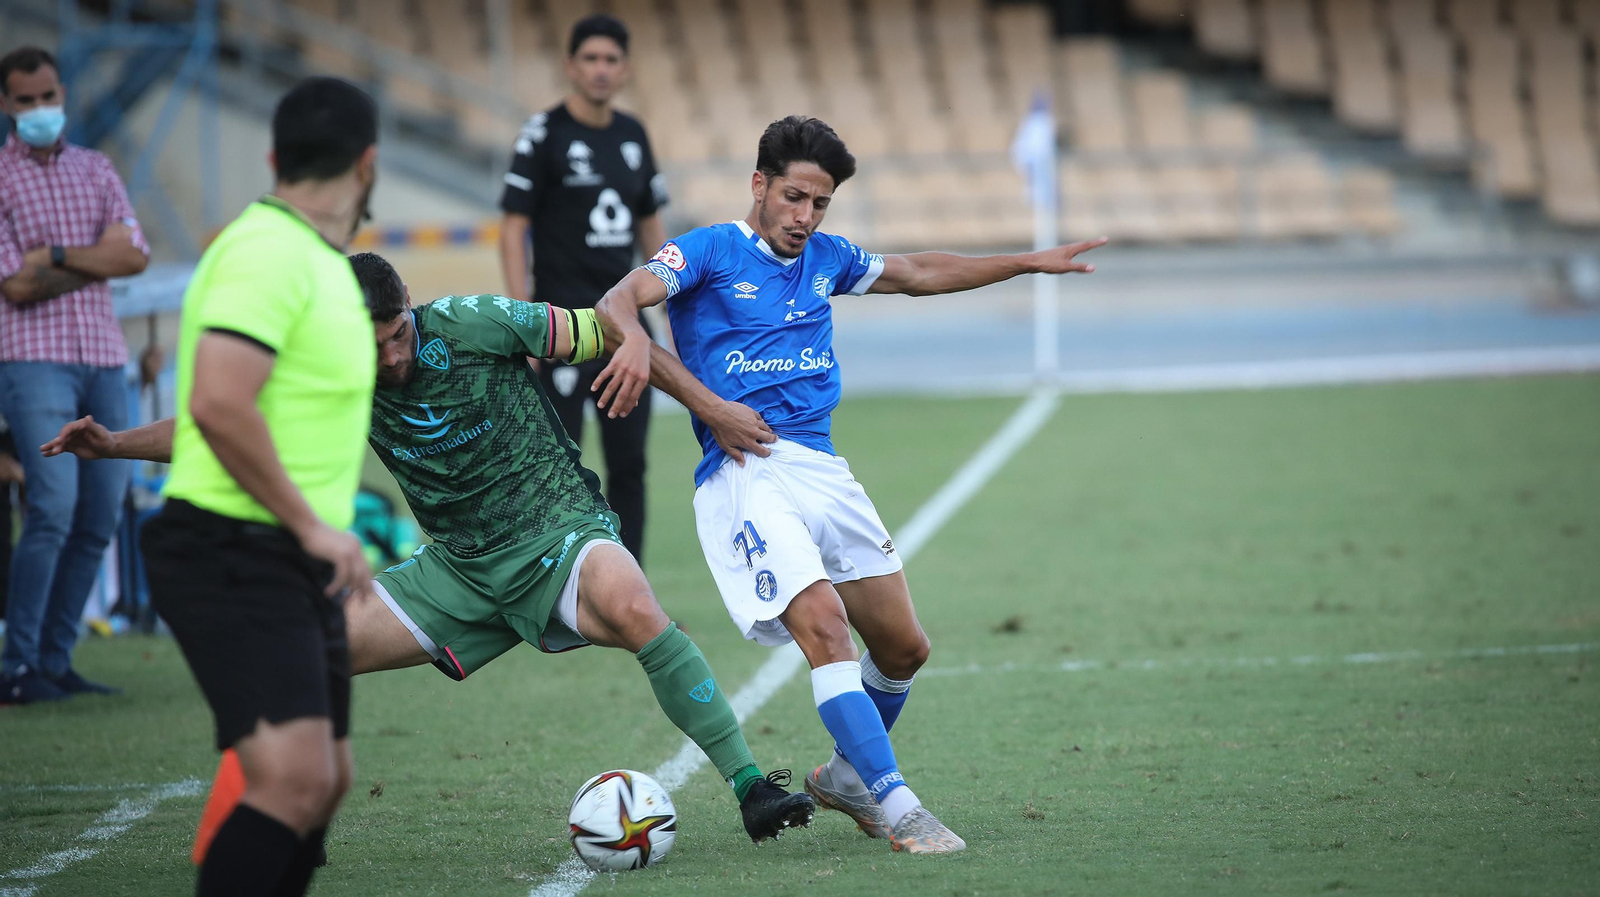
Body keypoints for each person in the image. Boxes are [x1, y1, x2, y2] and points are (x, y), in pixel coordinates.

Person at [44, 251, 817, 848]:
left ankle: (752, 787)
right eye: (367, 344)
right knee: (308, 649)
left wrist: (697, 396)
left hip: (557, 529)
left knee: (637, 607)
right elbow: (221, 429)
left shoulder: (476, 322)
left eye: (394, 336)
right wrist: (111, 443)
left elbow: (606, 325)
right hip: (456, 567)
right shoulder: (332, 370)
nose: (385, 358)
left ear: (409, 309)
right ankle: (288, 822)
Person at [593, 116, 1106, 854]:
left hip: (823, 469)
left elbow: (918, 273)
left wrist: (1027, 262)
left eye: (820, 203)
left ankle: (842, 776)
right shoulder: (706, 249)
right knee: (827, 629)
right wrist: (705, 404)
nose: (805, 217)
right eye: (795, 196)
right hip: (744, 474)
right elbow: (620, 301)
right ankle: (899, 805)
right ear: (759, 184)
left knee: (903, 648)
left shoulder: (826, 258)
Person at [135, 76, 379, 897]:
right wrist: (313, 526)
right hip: (230, 544)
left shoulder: (316, 260)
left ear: (275, 156)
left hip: (291, 555)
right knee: (294, 781)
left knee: (326, 778)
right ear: (369, 164)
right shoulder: (266, 250)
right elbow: (217, 400)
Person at [0, 45, 150, 704]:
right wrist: (99, 258)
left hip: (101, 354)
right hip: (31, 358)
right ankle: (18, 663)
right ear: (7, 104)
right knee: (52, 506)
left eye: (48, 96)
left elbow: (136, 255)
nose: (40, 110)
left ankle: (56, 662)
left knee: (100, 512)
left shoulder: (97, 167)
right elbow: (14, 283)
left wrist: (57, 254)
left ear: (62, 93)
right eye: (25, 100)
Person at [498, 13, 669, 563]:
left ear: (625, 70)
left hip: (625, 332)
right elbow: (513, 225)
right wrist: (522, 323)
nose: (600, 70)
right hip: (561, 330)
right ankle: (564, 593)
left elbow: (651, 228)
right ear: (571, 67)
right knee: (560, 469)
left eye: (611, 60)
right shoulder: (542, 134)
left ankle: (633, 595)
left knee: (629, 467)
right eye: (590, 59)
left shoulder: (633, 136)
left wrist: (668, 302)